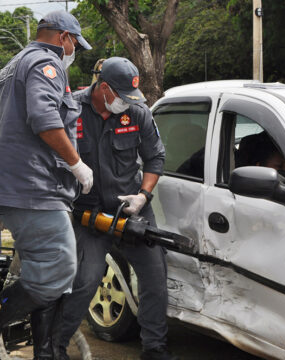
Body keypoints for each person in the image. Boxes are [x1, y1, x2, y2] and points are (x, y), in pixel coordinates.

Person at [59, 57, 178, 360]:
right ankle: (55, 347)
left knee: (154, 277)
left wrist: (143, 196)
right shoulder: (70, 109)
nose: (127, 103)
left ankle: (154, 349)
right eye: (122, 97)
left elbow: (155, 160)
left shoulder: (137, 113)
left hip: (131, 211)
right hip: (89, 215)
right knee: (85, 281)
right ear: (105, 89)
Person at [0, 10, 93, 360]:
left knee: (42, 270)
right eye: (75, 46)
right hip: (33, 185)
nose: (74, 53)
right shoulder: (44, 64)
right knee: (59, 267)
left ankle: (45, 353)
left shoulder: (13, 64)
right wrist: (77, 165)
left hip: (17, 183)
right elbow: (43, 118)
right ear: (63, 37)